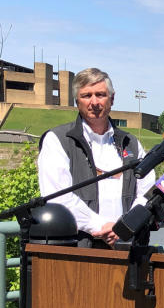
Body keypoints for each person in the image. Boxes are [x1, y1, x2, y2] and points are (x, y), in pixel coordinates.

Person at [38, 68, 154, 247]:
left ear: (112, 99)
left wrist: (126, 226)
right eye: (86, 95)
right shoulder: (57, 140)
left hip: (128, 246)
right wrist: (101, 226)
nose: (94, 102)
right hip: (81, 247)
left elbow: (147, 191)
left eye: (100, 94)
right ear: (77, 101)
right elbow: (58, 198)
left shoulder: (131, 143)